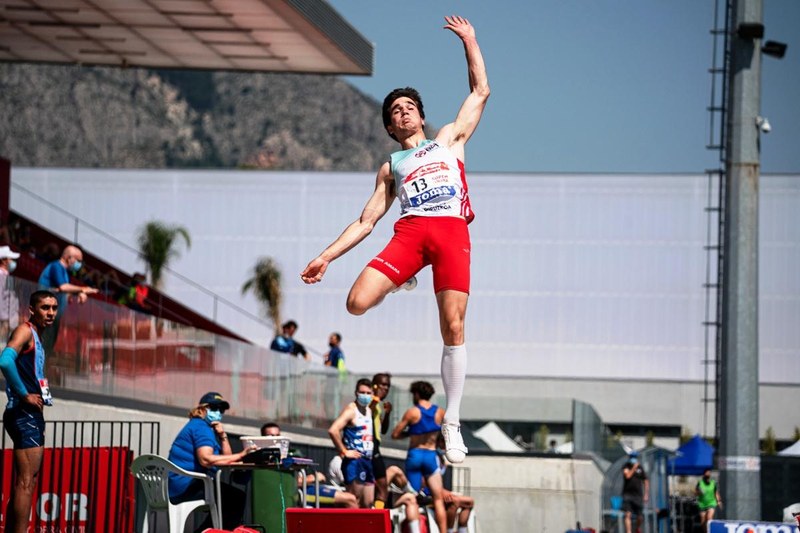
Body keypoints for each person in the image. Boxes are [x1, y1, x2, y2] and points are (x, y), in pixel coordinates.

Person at [301, 15, 490, 464]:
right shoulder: (391, 166)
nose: (402, 112)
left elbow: (480, 91)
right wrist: (324, 257)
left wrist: (470, 40)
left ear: (421, 116)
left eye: (408, 106)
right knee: (357, 303)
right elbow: (366, 222)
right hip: (410, 233)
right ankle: (404, 278)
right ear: (390, 128)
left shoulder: (448, 141)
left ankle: (453, 422)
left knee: (454, 327)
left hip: (449, 232)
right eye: (394, 111)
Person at [0, 290, 58, 533]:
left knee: (25, 482)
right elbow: (4, 360)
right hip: (24, 413)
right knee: (26, 482)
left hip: (28, 414)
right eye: (45, 308)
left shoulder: (37, 335)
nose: (51, 313)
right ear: (32, 310)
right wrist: (24, 394)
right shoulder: (25, 330)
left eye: (54, 308)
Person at [167, 392, 256, 530]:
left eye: (221, 410)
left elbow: (227, 457)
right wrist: (241, 455)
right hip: (185, 486)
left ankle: (209, 531)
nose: (218, 413)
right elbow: (206, 459)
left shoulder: (198, 426)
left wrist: (222, 435)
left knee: (230, 497)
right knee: (235, 498)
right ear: (202, 409)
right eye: (214, 408)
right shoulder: (201, 427)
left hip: (176, 486)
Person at [391, 381, 448, 533]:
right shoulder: (440, 412)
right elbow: (448, 432)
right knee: (438, 500)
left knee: (412, 498)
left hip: (415, 453)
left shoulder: (412, 412)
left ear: (416, 394)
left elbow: (395, 434)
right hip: (431, 455)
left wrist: (411, 432)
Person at [261, 421, 358, 508]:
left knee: (351, 498)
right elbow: (288, 483)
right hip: (297, 492)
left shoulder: (289, 453)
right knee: (350, 499)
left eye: (278, 436)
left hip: (309, 487)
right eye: (271, 436)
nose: (275, 440)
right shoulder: (263, 459)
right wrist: (312, 478)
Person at [37, 245, 98, 354]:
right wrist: (84, 289)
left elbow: (64, 291)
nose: (79, 264)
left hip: (54, 317)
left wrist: (78, 293)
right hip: (45, 316)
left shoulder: (64, 272)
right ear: (69, 257)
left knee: (48, 348)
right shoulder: (56, 266)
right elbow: (63, 287)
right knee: (43, 348)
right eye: (78, 260)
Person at [328, 378, 376, 508]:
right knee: (354, 500)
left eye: (368, 393)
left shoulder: (369, 410)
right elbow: (333, 430)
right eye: (362, 392)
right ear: (356, 393)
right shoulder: (351, 411)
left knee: (368, 502)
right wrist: (344, 451)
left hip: (368, 460)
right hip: (355, 461)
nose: (365, 396)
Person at [371, 372, 393, 509]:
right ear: (374, 385)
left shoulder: (378, 404)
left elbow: (383, 430)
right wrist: (375, 400)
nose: (385, 388)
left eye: (388, 386)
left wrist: (387, 414)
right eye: (383, 384)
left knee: (381, 487)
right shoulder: (371, 400)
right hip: (369, 446)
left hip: (376, 445)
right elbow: (364, 414)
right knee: (382, 487)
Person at [621, 451, 649, 533]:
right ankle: (628, 531)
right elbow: (628, 476)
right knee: (627, 514)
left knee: (640, 517)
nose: (633, 460)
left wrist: (646, 494)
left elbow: (646, 481)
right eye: (632, 458)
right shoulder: (626, 466)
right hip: (627, 495)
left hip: (638, 495)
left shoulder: (640, 468)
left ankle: (637, 528)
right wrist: (633, 468)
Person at [0, 245, 20, 341]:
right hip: (3, 320)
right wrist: (5, 320)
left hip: (8, 320)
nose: (13, 262)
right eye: (11, 259)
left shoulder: (6, 276)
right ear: (4, 260)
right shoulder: (1, 276)